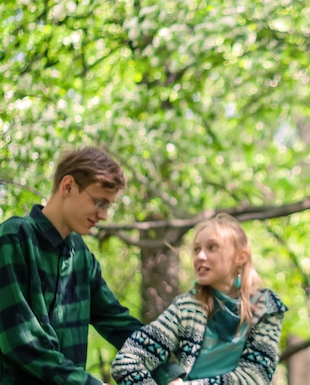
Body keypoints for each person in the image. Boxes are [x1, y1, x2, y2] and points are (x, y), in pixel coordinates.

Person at [0, 146, 151, 384]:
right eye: (99, 202)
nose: (103, 216)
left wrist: (169, 370)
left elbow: (117, 322)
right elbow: (20, 341)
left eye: (107, 206)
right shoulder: (14, 238)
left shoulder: (81, 256)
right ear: (68, 186)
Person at [111, 213, 288, 385]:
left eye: (212, 247)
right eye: (197, 250)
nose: (200, 257)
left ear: (240, 257)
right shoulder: (186, 308)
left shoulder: (265, 307)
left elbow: (254, 378)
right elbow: (127, 360)